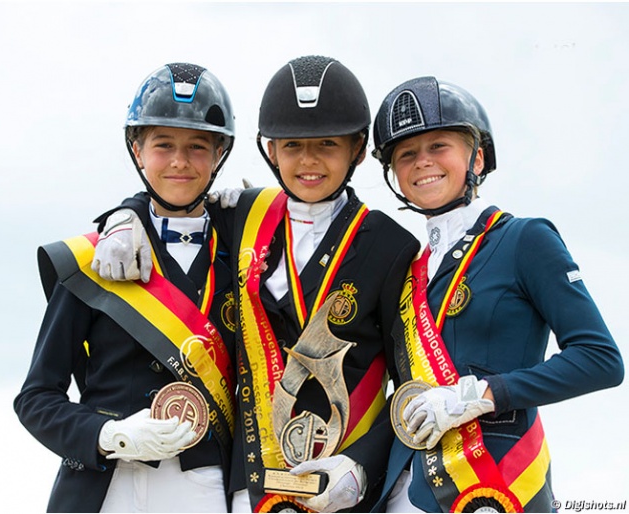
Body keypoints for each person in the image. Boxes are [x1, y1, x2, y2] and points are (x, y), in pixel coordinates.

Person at [90, 55, 422, 513]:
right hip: (251, 488)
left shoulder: (393, 245)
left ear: (358, 149)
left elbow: (409, 384)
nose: (308, 161)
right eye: (291, 145)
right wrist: (123, 216)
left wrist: (361, 467)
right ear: (269, 150)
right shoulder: (242, 216)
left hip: (339, 488)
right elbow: (173, 195)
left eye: (327, 144)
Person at [368, 76, 624, 513]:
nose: (421, 162)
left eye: (438, 146)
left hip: (493, 483)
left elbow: (600, 360)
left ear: (478, 157)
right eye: (406, 154)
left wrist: (479, 395)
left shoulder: (524, 239)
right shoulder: (407, 270)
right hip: (404, 492)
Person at [14, 62, 238, 513]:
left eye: (198, 146)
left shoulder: (242, 252)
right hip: (105, 482)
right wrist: (107, 435)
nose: (179, 160)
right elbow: (36, 397)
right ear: (137, 151)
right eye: (163, 145)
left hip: (205, 486)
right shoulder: (94, 259)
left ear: (219, 155)